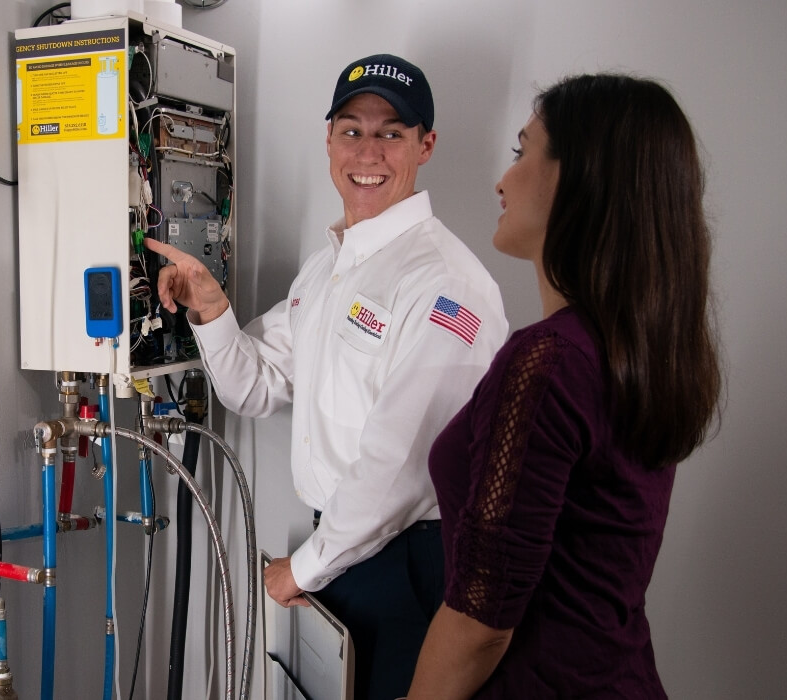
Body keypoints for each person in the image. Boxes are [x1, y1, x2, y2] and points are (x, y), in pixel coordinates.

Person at [147, 53, 507, 699]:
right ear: (329, 141)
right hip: (346, 547)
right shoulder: (330, 268)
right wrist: (209, 308)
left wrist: (305, 569)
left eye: (390, 133)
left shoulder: (443, 284)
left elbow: (403, 464)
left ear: (425, 146)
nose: (367, 151)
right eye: (352, 130)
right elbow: (253, 388)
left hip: (408, 558)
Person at [405, 74, 722, 699]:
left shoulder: (547, 362)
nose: (502, 179)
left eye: (523, 153)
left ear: (580, 179)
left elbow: (480, 624)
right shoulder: (633, 347)